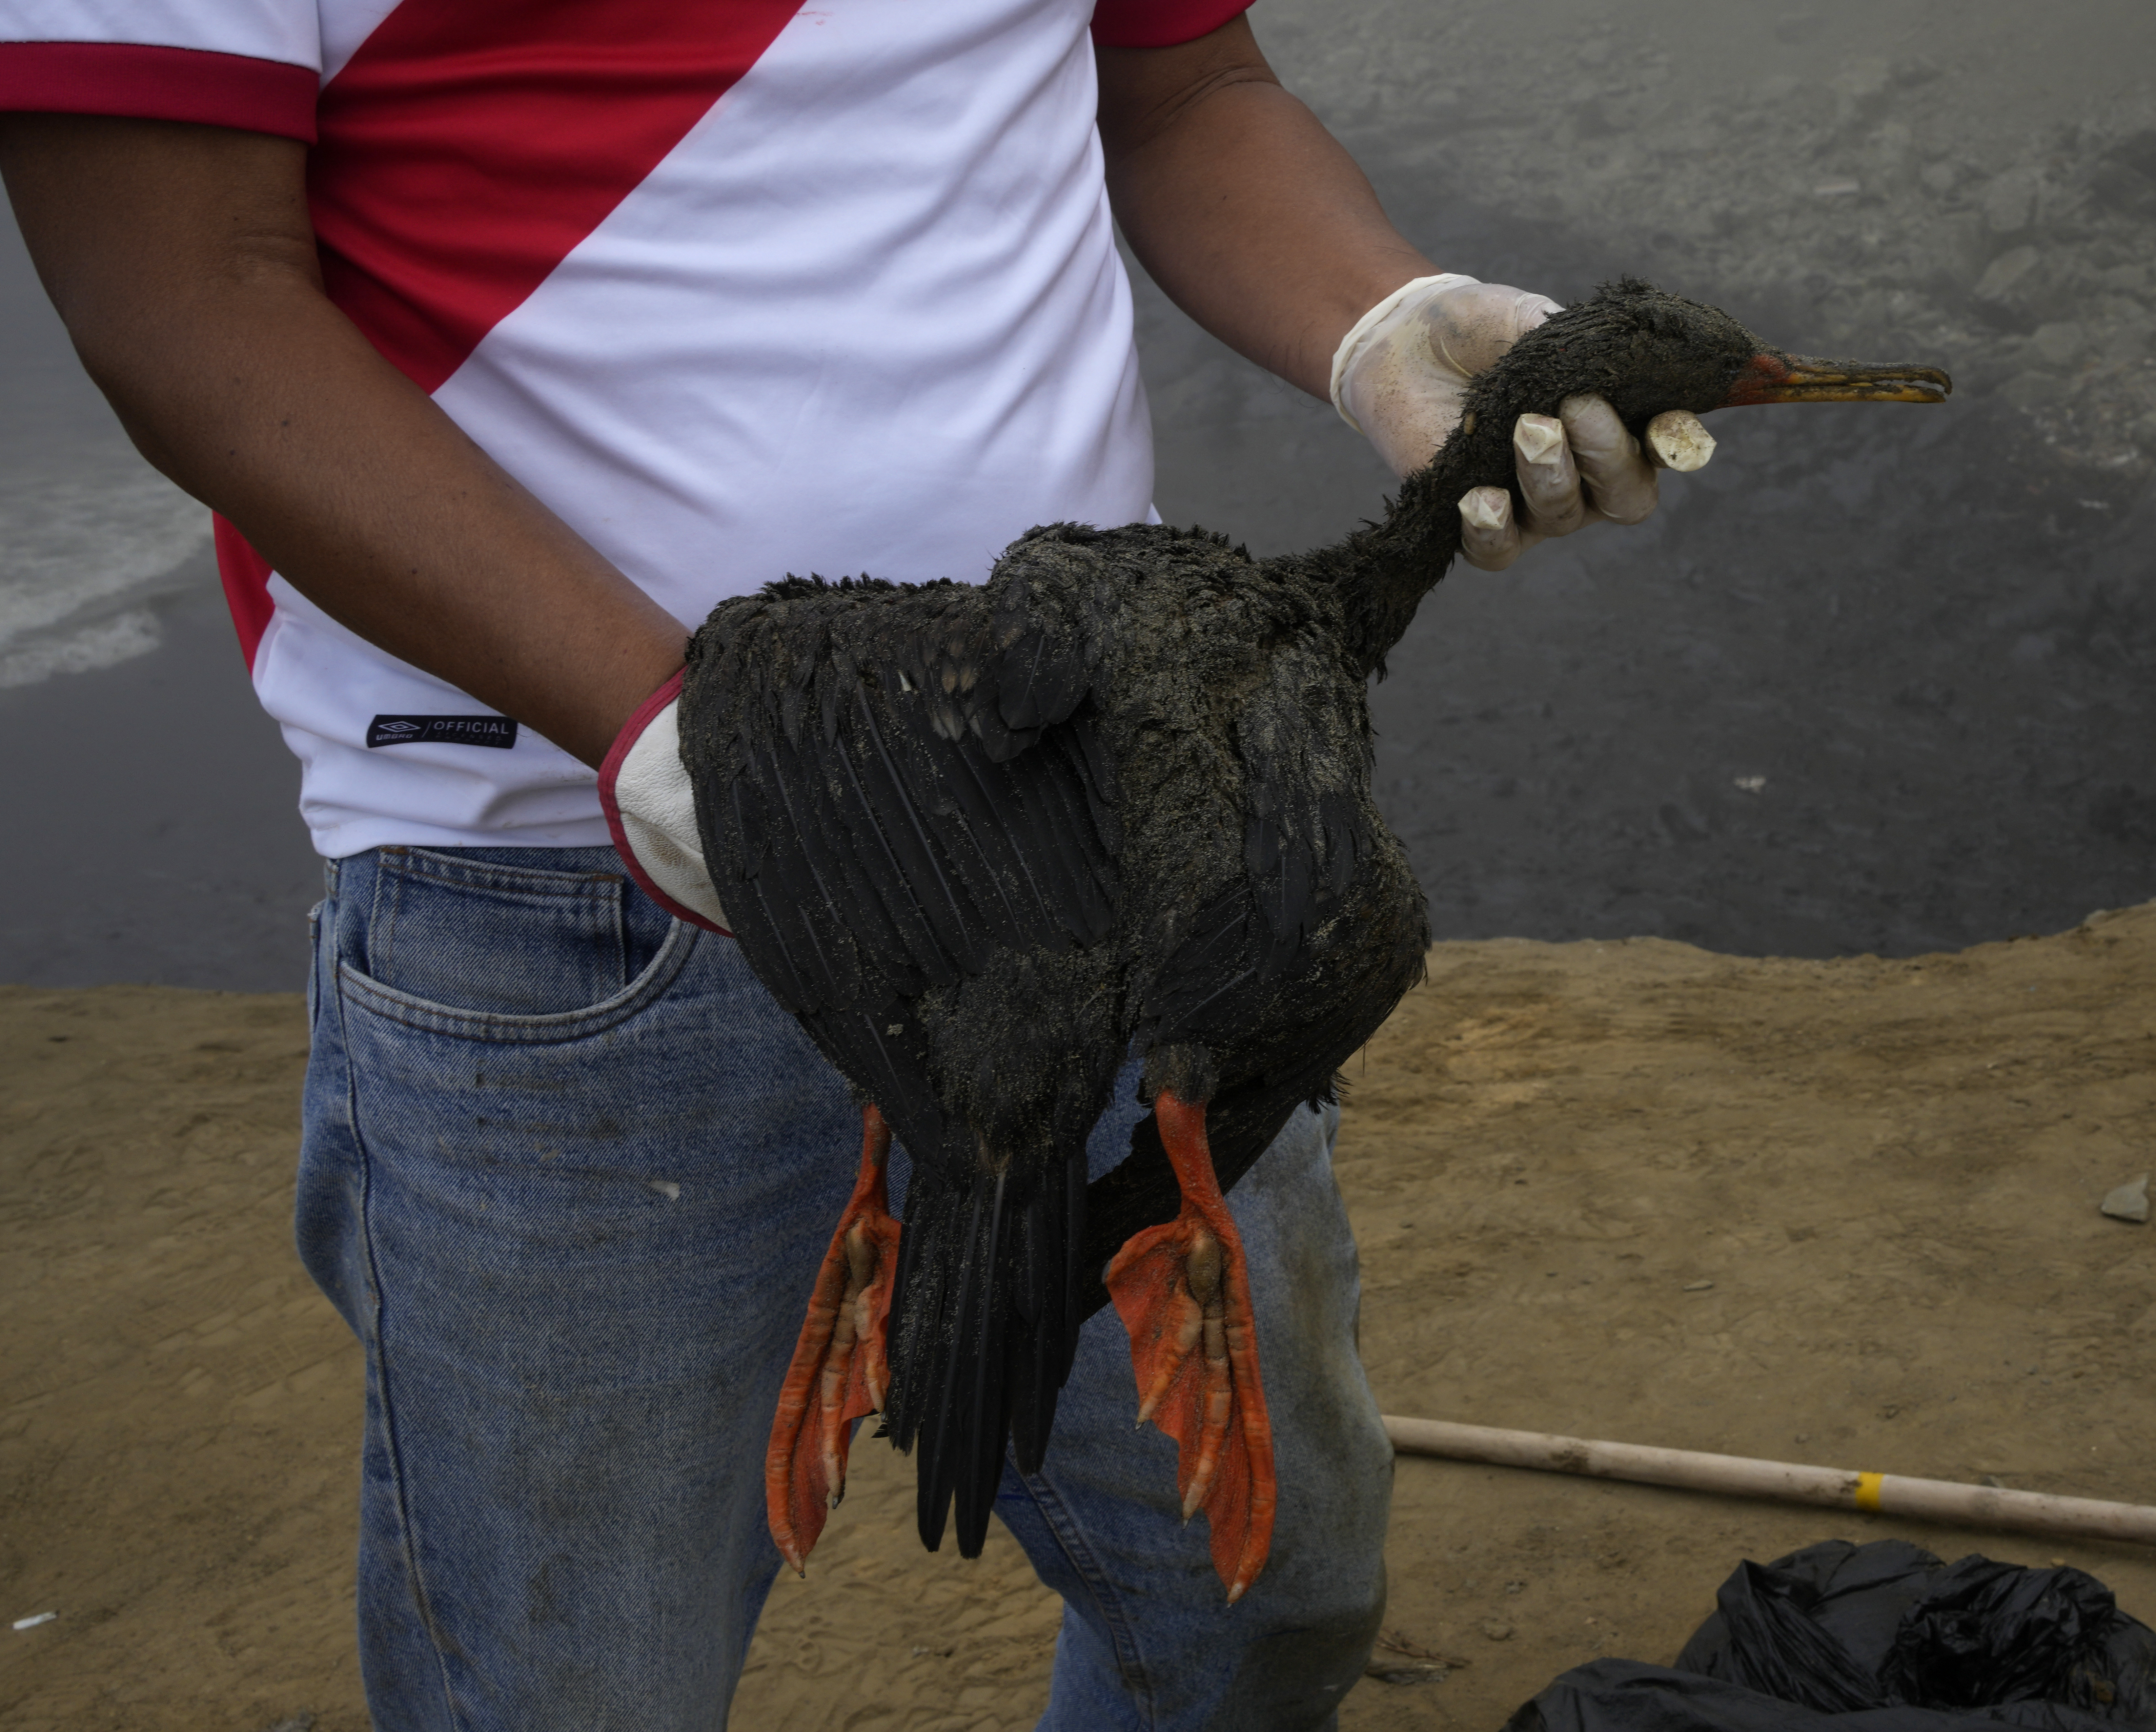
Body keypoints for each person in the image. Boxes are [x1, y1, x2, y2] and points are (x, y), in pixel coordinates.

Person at [0, 6, 1696, 1726]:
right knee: (576, 1684)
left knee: (1261, 1600)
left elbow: (1185, 88)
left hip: (1095, 821)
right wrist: (676, 731)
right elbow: (181, 295)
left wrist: (1378, 323)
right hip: (567, 900)